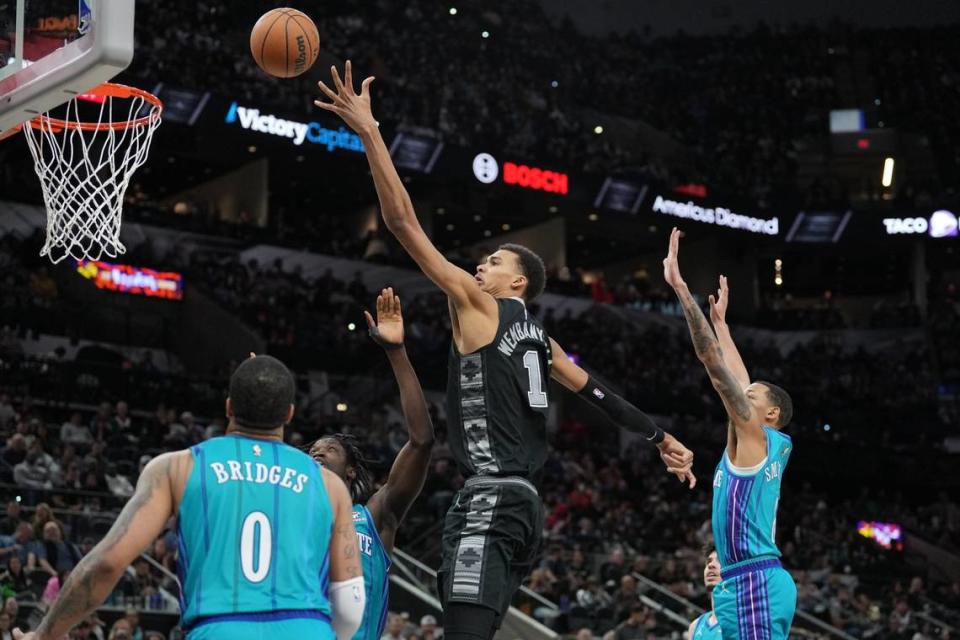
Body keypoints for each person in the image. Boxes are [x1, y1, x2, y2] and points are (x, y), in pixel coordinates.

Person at [315, 60, 695, 640]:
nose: (479, 265)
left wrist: (368, 132)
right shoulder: (544, 342)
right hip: (524, 511)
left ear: (518, 282)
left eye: (494, 262)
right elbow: (602, 396)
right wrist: (661, 438)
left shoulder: (478, 306)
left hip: (490, 502)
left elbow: (401, 223)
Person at [14, 355, 365, 640]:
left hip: (218, 628)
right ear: (289, 413)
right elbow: (350, 607)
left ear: (228, 406)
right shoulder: (329, 485)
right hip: (307, 628)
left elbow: (107, 563)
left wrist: (45, 634)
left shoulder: (177, 467)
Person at [662, 228, 797, 640]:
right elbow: (739, 380)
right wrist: (722, 325)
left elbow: (718, 371)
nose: (745, 392)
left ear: (771, 412)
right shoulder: (760, 443)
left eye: (752, 394)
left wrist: (682, 290)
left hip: (752, 581)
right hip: (749, 579)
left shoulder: (757, 438)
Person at [310, 289, 434, 640]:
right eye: (313, 450)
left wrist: (396, 352)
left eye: (329, 449)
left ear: (350, 470)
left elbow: (422, 441)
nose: (317, 452)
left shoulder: (374, 516)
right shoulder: (294, 514)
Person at [685, 550, 722, 640]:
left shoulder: (743, 620)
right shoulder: (695, 626)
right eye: (708, 562)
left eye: (719, 560)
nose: (710, 565)